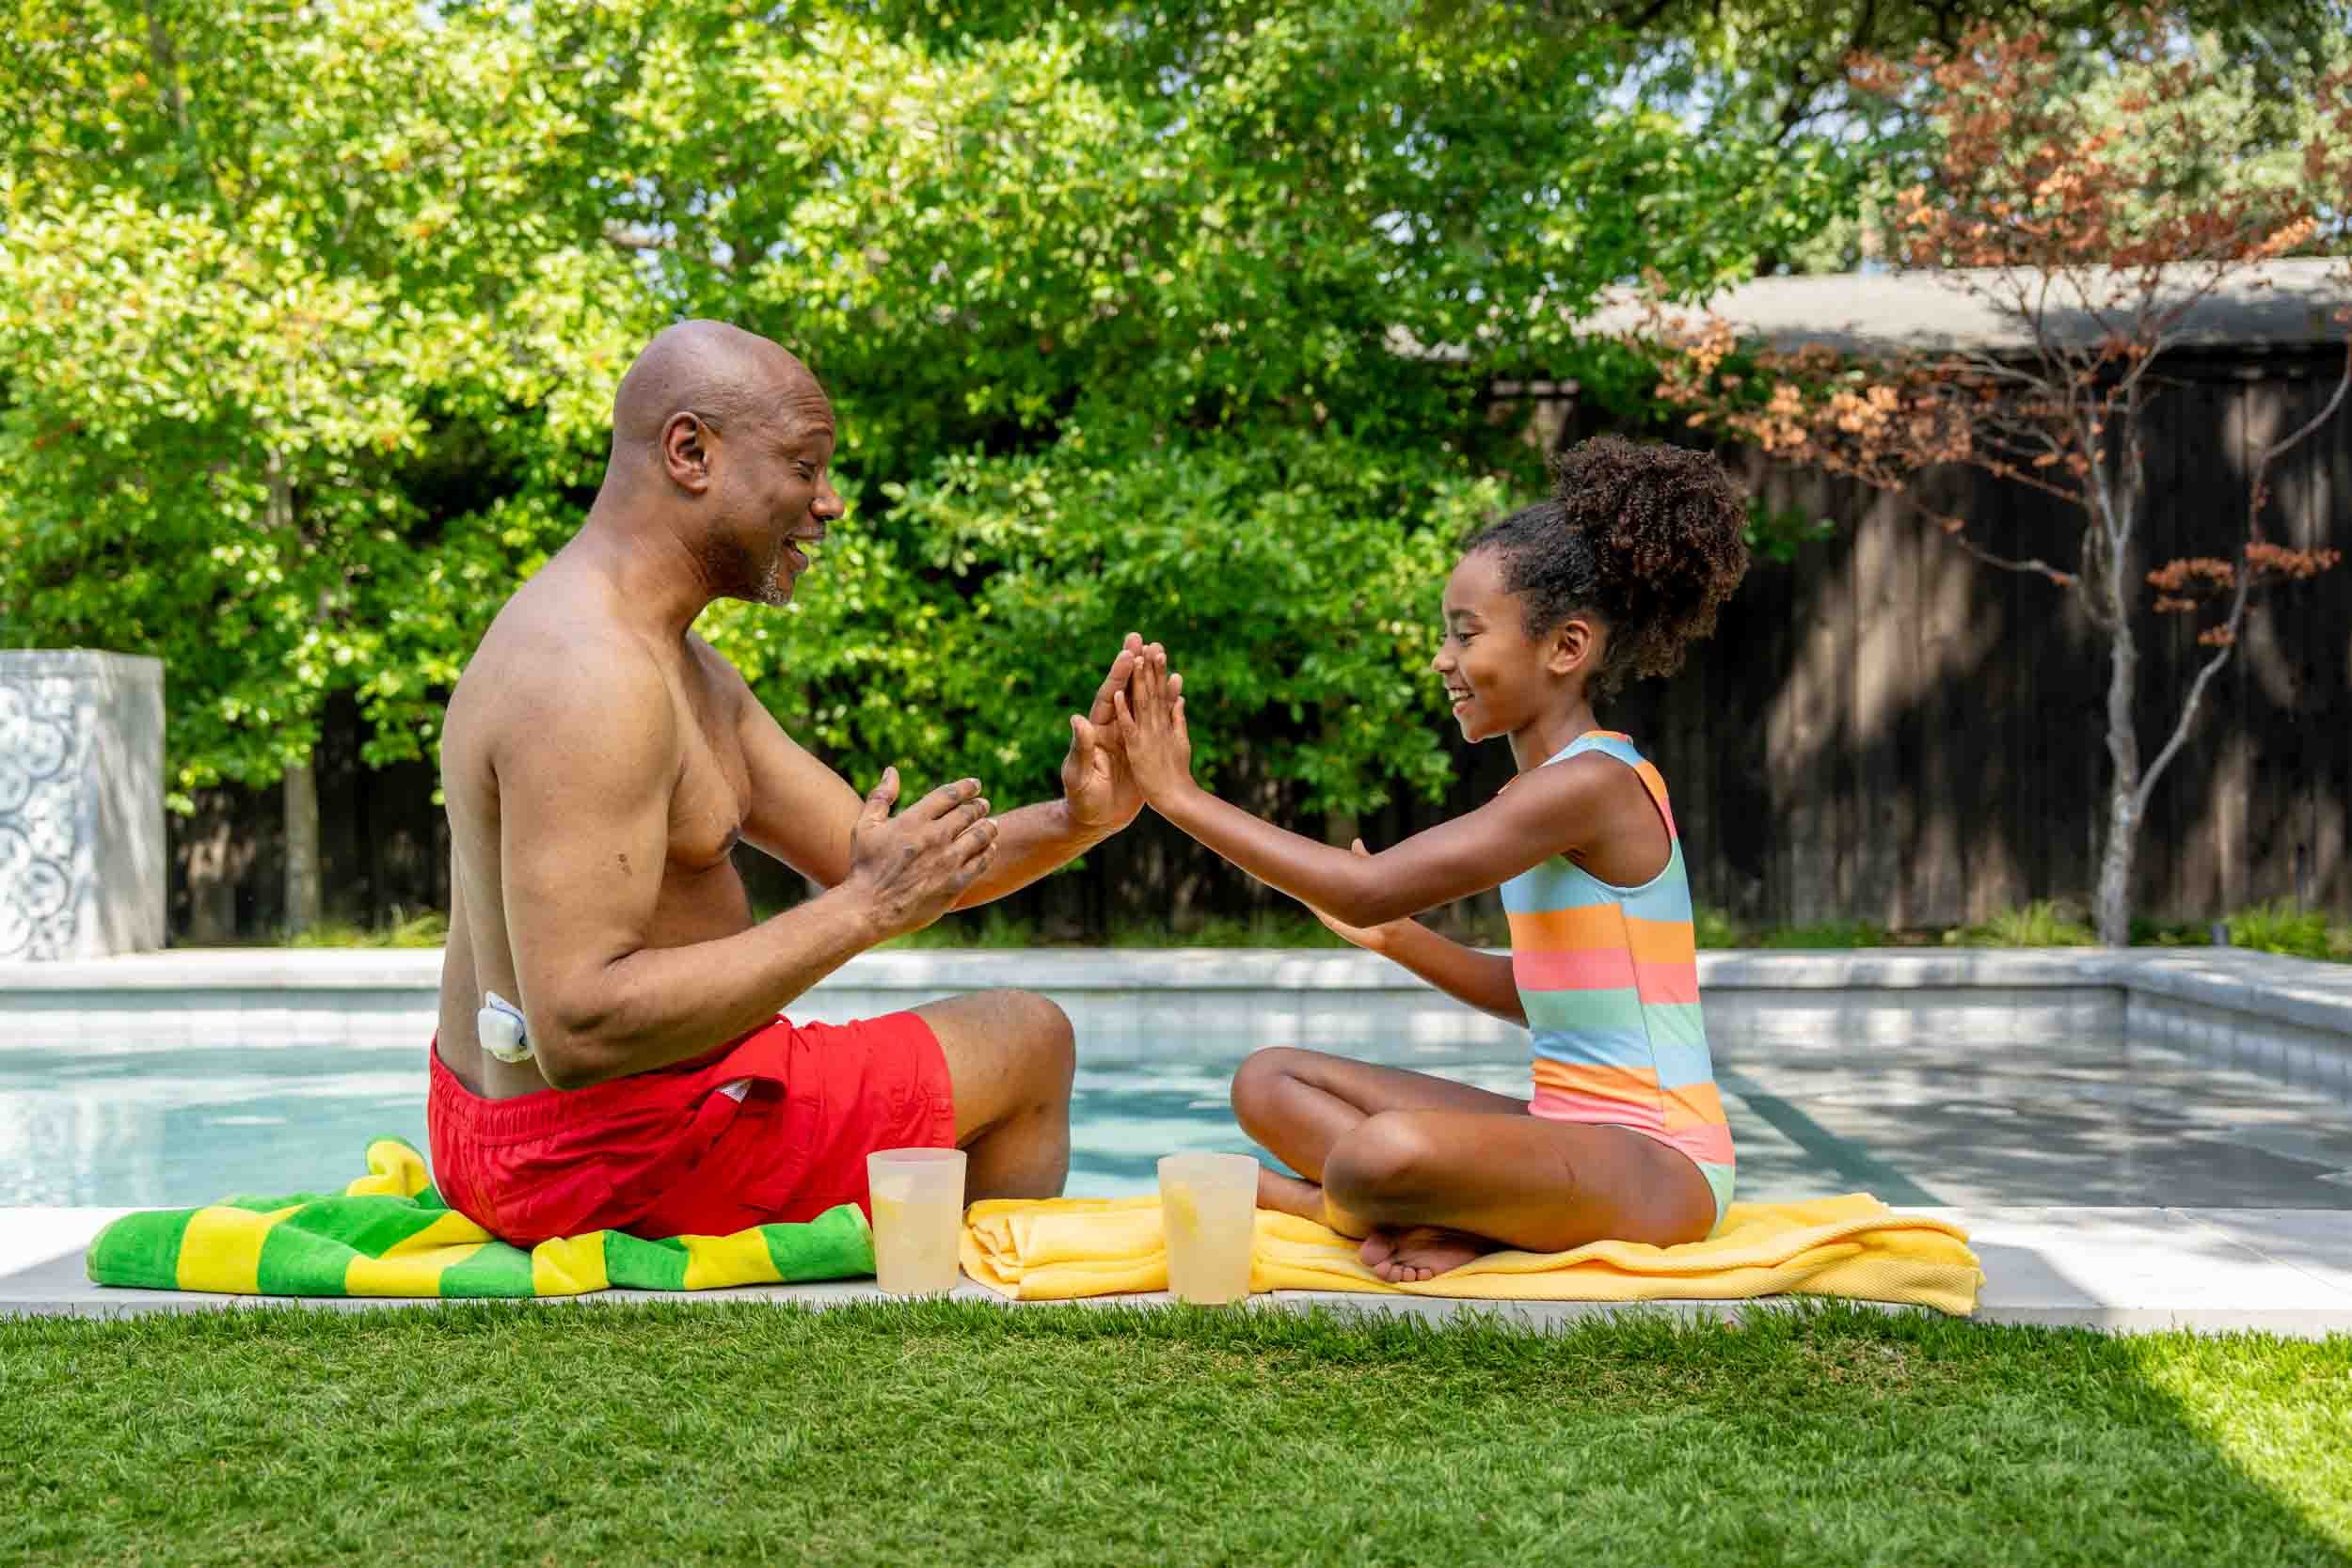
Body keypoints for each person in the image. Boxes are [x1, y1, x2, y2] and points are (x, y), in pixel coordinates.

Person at [428, 320, 1146, 1246]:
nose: (830, 503)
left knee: (979, 1030)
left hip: (553, 1133)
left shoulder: (676, 662)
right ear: (691, 451)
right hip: (599, 1157)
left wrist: (1078, 818)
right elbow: (580, 1028)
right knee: (1031, 1037)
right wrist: (860, 911)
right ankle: (973, 1322)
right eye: (805, 467)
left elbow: (881, 858)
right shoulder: (588, 673)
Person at [1110, 436, 1750, 1281]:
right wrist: (1398, 941)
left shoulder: (1590, 784)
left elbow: (1368, 886)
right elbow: (1541, 998)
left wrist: (1178, 795)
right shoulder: (1545, 794)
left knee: (1385, 1152)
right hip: (1565, 1130)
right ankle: (1444, 1214)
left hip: (1661, 1163)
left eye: (1467, 633)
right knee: (1269, 1080)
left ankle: (1325, 1204)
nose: (1444, 660)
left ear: (1567, 647)